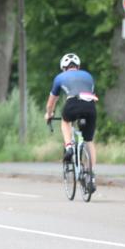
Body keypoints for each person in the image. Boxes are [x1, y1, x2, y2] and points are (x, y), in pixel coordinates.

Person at [44, 53, 98, 192]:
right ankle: (91, 176)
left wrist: (49, 115)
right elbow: (89, 93)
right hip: (90, 105)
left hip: (73, 103)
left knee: (65, 121)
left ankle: (69, 147)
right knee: (89, 141)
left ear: (63, 68)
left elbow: (51, 103)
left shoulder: (59, 78)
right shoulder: (88, 75)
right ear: (78, 66)